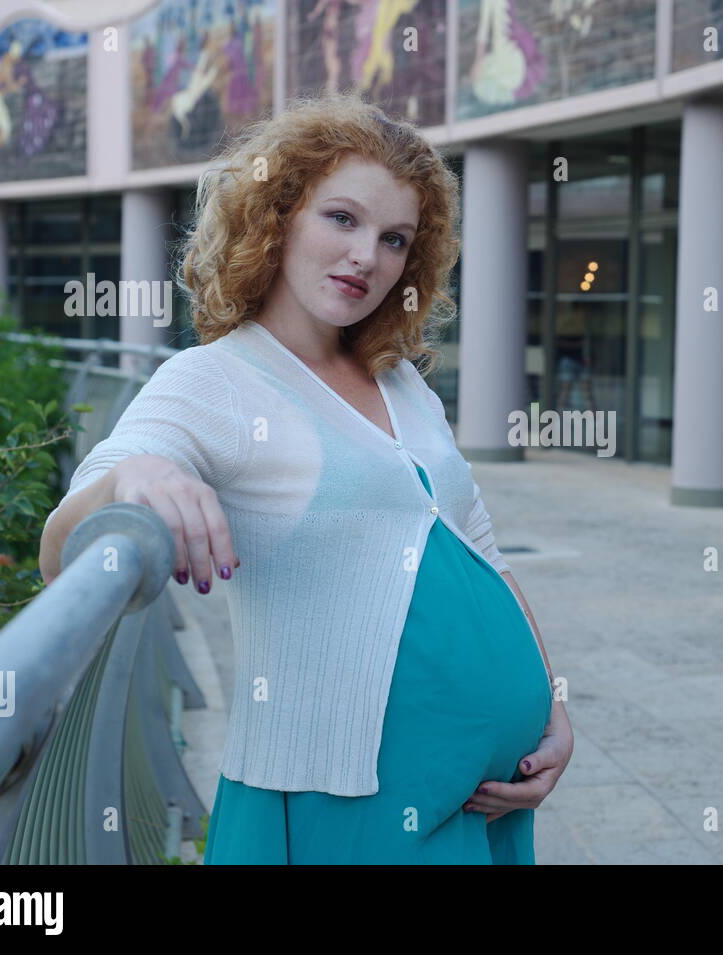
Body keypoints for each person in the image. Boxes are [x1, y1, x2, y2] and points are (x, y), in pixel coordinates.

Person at [39, 90, 573, 864]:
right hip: (346, 802)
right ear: (278, 214)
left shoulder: (403, 383)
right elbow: (61, 551)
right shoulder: (214, 379)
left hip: (484, 803)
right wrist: (139, 477)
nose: (367, 256)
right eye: (343, 219)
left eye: (395, 239)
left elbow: (481, 551)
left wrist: (551, 710)